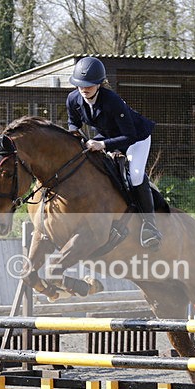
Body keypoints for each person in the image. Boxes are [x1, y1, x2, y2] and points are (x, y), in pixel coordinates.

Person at [66, 56, 161, 249]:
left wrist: (103, 145)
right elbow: (73, 123)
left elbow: (129, 135)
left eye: (89, 85)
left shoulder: (112, 101)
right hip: (108, 135)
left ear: (99, 84)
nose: (84, 88)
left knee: (134, 176)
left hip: (136, 139)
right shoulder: (73, 99)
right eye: (80, 85)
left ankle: (150, 226)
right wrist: (74, 134)